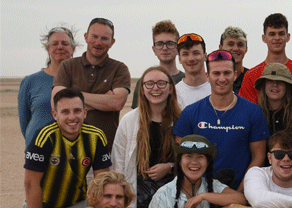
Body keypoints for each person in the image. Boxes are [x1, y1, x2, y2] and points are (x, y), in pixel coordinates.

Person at [174, 50, 270, 192]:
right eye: (216, 73)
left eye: (227, 73)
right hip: (200, 193)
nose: (222, 78)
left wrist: (239, 194)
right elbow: (181, 157)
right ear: (207, 76)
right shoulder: (190, 112)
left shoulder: (253, 112)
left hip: (239, 193)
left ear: (235, 75)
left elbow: (258, 157)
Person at [112, 66, 181, 208]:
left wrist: (169, 166)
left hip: (170, 195)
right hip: (139, 196)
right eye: (149, 84)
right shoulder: (129, 120)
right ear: (142, 89)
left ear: (171, 88)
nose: (155, 88)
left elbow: (190, 159)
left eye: (161, 83)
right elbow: (118, 162)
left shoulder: (181, 119)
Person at [52, 18, 130, 146]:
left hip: (104, 148)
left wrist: (71, 98)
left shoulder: (119, 69)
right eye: (94, 36)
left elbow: (117, 102)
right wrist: (104, 99)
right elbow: (56, 101)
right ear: (86, 37)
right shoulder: (67, 66)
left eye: (104, 38)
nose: (98, 42)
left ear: (112, 42)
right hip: (68, 147)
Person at [19, 25, 77, 150]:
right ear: (48, 48)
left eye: (65, 43)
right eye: (55, 43)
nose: (60, 47)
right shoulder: (30, 81)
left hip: (75, 151)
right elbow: (24, 122)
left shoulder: (81, 79)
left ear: (73, 48)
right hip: (38, 151)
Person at [239, 13, 292, 104]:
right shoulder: (251, 76)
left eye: (281, 33)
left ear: (288, 37)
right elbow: (246, 110)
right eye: (272, 34)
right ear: (264, 38)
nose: (277, 38)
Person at [131, 20, 185, 109]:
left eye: (170, 43)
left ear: (178, 48)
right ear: (154, 50)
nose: (164, 48)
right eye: (159, 44)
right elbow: (138, 117)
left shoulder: (186, 81)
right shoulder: (145, 82)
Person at [255, 63, 292, 135]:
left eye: (280, 81)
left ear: (287, 86)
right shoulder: (255, 113)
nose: (275, 85)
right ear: (264, 85)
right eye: (270, 80)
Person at [175, 33, 210, 109]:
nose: (191, 59)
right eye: (185, 54)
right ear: (179, 59)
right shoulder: (174, 94)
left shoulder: (219, 90)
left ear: (205, 56)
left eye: (196, 53)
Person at [219, 26, 249, 94]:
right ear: (220, 48)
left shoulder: (252, 78)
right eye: (230, 44)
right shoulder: (212, 78)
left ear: (246, 49)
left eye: (240, 45)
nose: (235, 49)